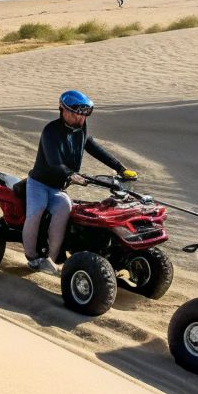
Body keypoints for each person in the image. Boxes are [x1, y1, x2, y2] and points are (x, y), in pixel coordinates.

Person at [22, 90, 137, 275]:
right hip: (39, 184)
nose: (81, 118)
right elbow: (53, 162)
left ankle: (50, 260)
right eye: (77, 113)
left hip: (58, 187)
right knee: (37, 211)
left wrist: (120, 168)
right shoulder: (51, 131)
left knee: (64, 207)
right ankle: (32, 257)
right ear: (63, 110)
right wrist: (71, 174)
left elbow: (94, 148)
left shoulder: (80, 130)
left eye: (84, 114)